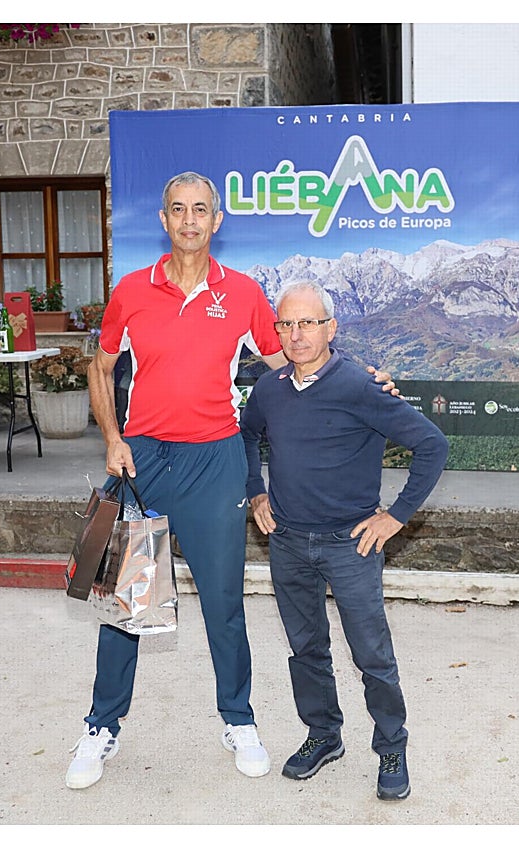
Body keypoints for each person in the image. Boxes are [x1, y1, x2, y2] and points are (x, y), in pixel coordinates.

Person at [73, 171, 398, 791]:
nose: (190, 220)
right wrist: (113, 439)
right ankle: (101, 727)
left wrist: (364, 380)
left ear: (216, 221)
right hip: (143, 464)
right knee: (126, 604)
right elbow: (102, 365)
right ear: (163, 220)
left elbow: (297, 366)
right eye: (178, 210)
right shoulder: (132, 292)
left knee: (224, 606)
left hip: (215, 462)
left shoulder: (244, 293)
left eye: (201, 210)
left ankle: (239, 719)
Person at [240, 280, 448, 802]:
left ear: (331, 328)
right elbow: (246, 434)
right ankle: (324, 736)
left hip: (350, 545)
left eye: (307, 322)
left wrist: (394, 517)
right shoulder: (269, 388)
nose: (296, 333)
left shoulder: (361, 386)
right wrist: (255, 493)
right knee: (306, 649)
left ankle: (392, 747)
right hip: (286, 539)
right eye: (286, 324)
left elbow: (432, 445)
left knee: (371, 653)